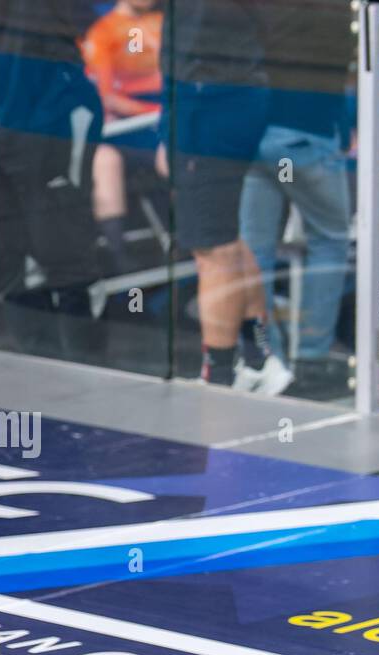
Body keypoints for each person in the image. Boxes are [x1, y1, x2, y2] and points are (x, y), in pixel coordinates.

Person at [0, 0, 106, 359]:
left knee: (64, 250)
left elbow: (79, 20)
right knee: (3, 255)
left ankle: (88, 367)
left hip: (51, 118)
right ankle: (39, 364)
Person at [239, 0, 353, 398]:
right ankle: (312, 358)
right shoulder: (333, 9)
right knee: (331, 240)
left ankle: (264, 358)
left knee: (254, 252)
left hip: (254, 134)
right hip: (307, 135)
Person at [158, 1, 273, 388]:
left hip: (211, 107)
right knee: (226, 239)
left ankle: (219, 376)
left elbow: (195, 61)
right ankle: (258, 360)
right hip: (224, 100)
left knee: (213, 250)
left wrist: (174, 127)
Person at [81, 0, 162, 278]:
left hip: (168, 114)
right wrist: (152, 111)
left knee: (180, 151)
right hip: (130, 121)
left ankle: (191, 237)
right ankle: (118, 255)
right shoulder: (103, 33)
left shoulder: (163, 21)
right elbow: (106, 97)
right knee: (104, 162)